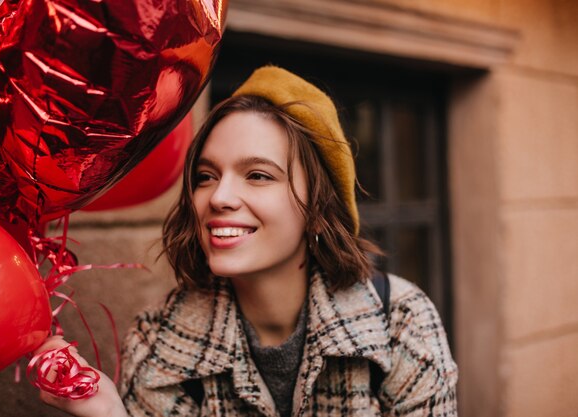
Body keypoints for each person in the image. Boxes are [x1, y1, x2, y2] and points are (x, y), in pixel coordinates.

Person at [36, 66, 458, 417]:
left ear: (318, 205)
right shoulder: (157, 340)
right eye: (206, 176)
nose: (218, 198)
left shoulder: (401, 322)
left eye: (258, 175)